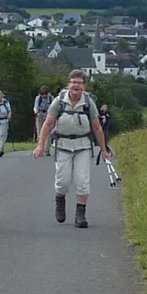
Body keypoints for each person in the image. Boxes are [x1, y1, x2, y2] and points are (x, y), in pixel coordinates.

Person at [32, 69, 112, 229]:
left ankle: (80, 214)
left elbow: (97, 128)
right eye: (73, 82)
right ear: (68, 84)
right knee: (63, 181)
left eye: (79, 83)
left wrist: (104, 150)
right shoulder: (59, 101)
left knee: (82, 181)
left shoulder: (89, 103)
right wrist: (40, 144)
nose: (76, 85)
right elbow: (48, 123)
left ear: (84, 86)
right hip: (62, 146)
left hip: (82, 146)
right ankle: (60, 199)